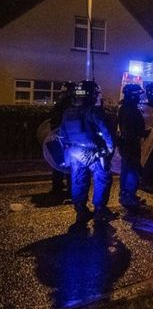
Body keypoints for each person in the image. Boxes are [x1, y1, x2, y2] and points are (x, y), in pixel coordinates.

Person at [60, 80, 115, 224]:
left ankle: (81, 211)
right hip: (93, 152)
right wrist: (110, 148)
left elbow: (62, 134)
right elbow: (106, 130)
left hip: (74, 152)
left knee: (78, 180)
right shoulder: (93, 111)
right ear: (92, 95)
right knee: (102, 178)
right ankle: (100, 210)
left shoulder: (68, 111)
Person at [117, 83, 149, 209]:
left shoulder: (125, 107)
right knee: (132, 171)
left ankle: (126, 194)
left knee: (126, 170)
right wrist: (145, 133)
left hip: (126, 144)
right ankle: (129, 197)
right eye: (138, 95)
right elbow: (132, 129)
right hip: (130, 144)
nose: (140, 97)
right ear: (133, 96)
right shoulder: (130, 109)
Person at [49, 82, 74, 197]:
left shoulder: (59, 103)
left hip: (57, 137)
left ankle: (57, 187)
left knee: (59, 164)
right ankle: (71, 189)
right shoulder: (70, 104)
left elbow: (53, 121)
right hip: (68, 138)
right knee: (70, 165)